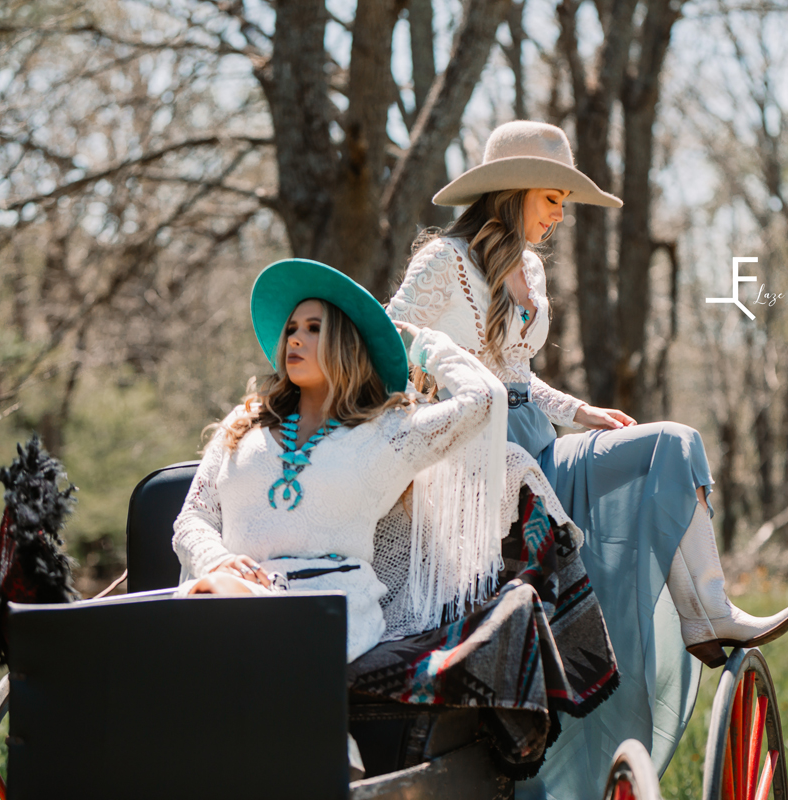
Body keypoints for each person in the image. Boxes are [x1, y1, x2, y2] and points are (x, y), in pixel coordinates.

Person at [386, 120, 788, 798]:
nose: (558, 215)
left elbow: (521, 374)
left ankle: (710, 610)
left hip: (540, 442)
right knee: (663, 448)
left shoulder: (531, 268)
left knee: (672, 443)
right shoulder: (443, 261)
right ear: (514, 191)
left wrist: (577, 411)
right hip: (478, 459)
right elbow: (387, 333)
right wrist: (447, 376)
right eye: (551, 198)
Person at [172, 258, 620, 777]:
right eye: (291, 329)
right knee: (204, 605)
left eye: (314, 329)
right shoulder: (244, 423)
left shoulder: (387, 434)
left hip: (328, 604)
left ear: (347, 343)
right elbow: (192, 519)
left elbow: (485, 400)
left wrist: (426, 345)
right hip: (227, 589)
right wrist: (220, 561)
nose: (294, 339)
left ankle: (327, 758)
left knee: (229, 615)